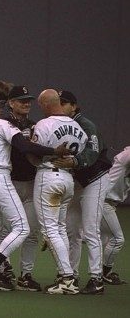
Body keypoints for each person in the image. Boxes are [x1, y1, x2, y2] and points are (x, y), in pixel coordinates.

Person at [0, 92, 70, 292]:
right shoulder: (1, 124)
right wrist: (54, 151)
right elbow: (24, 146)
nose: (1, 109)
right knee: (22, 228)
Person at [52, 90, 111, 294]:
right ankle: (71, 275)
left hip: (96, 179)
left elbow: (93, 151)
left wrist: (75, 161)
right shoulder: (60, 124)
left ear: (74, 106)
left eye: (65, 103)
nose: (61, 106)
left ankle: (96, 279)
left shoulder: (86, 124)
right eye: (58, 103)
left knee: (90, 229)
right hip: (78, 181)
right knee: (71, 230)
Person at [30, 89, 87, 294]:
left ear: (46, 104)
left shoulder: (44, 124)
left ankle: (67, 279)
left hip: (49, 178)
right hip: (67, 179)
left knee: (50, 230)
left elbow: (34, 155)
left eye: (40, 105)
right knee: (60, 229)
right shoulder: (78, 127)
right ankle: (67, 273)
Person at [5, 86, 42, 291]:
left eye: (28, 100)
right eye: (21, 100)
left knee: (32, 232)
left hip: (31, 183)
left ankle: (26, 275)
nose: (26, 103)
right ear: (11, 103)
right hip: (9, 183)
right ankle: (4, 270)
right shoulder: (3, 124)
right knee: (5, 230)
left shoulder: (35, 125)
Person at [101, 146, 129, 285]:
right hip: (104, 202)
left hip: (108, 202)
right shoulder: (128, 154)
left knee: (105, 240)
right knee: (117, 239)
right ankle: (105, 273)